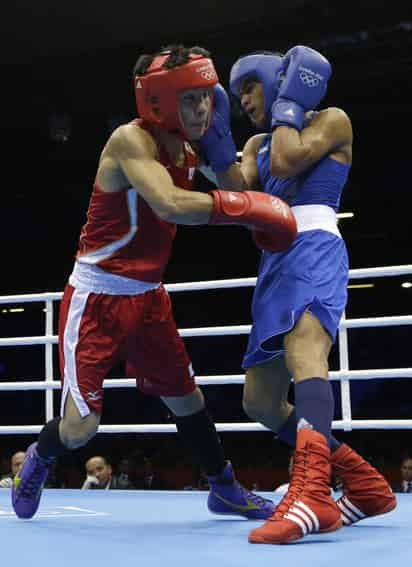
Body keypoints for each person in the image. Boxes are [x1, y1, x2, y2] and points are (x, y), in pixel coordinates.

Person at [12, 44, 297, 520]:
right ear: (158, 101)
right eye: (190, 99)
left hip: (148, 298)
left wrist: (226, 151)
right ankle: (38, 457)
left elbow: (244, 189)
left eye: (206, 96)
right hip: (98, 295)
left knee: (188, 399)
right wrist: (246, 210)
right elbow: (171, 204)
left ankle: (223, 488)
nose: (203, 107)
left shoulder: (192, 142)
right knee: (81, 428)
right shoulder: (131, 141)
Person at [198, 45, 396, 544]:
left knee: (305, 351)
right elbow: (234, 193)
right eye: (237, 91)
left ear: (278, 78)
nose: (243, 98)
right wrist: (216, 144)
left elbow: (286, 165)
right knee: (260, 400)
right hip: (274, 262)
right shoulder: (259, 142)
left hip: (314, 246)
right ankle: (364, 482)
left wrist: (290, 102)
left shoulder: (331, 120)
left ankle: (312, 491)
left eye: (250, 85)